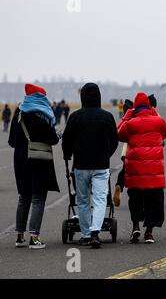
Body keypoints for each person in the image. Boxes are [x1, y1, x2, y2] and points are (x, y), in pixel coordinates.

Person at [62, 83, 119, 248]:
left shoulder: (75, 117)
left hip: (81, 165)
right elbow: (114, 141)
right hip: (101, 165)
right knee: (100, 199)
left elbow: (67, 140)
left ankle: (86, 234)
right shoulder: (107, 117)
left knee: (83, 200)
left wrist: (68, 154)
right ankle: (95, 232)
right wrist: (106, 154)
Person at [8, 84, 60, 249]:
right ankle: (34, 237)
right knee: (38, 198)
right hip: (39, 160)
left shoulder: (19, 114)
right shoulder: (42, 115)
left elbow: (11, 141)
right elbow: (53, 139)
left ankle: (19, 235)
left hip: (20, 160)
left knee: (24, 197)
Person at [118, 92, 166, 244]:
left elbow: (119, 134)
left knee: (135, 198)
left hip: (136, 169)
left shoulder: (131, 123)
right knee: (153, 200)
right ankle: (149, 232)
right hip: (154, 170)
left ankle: (135, 226)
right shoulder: (158, 121)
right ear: (149, 106)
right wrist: (153, 112)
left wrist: (128, 114)